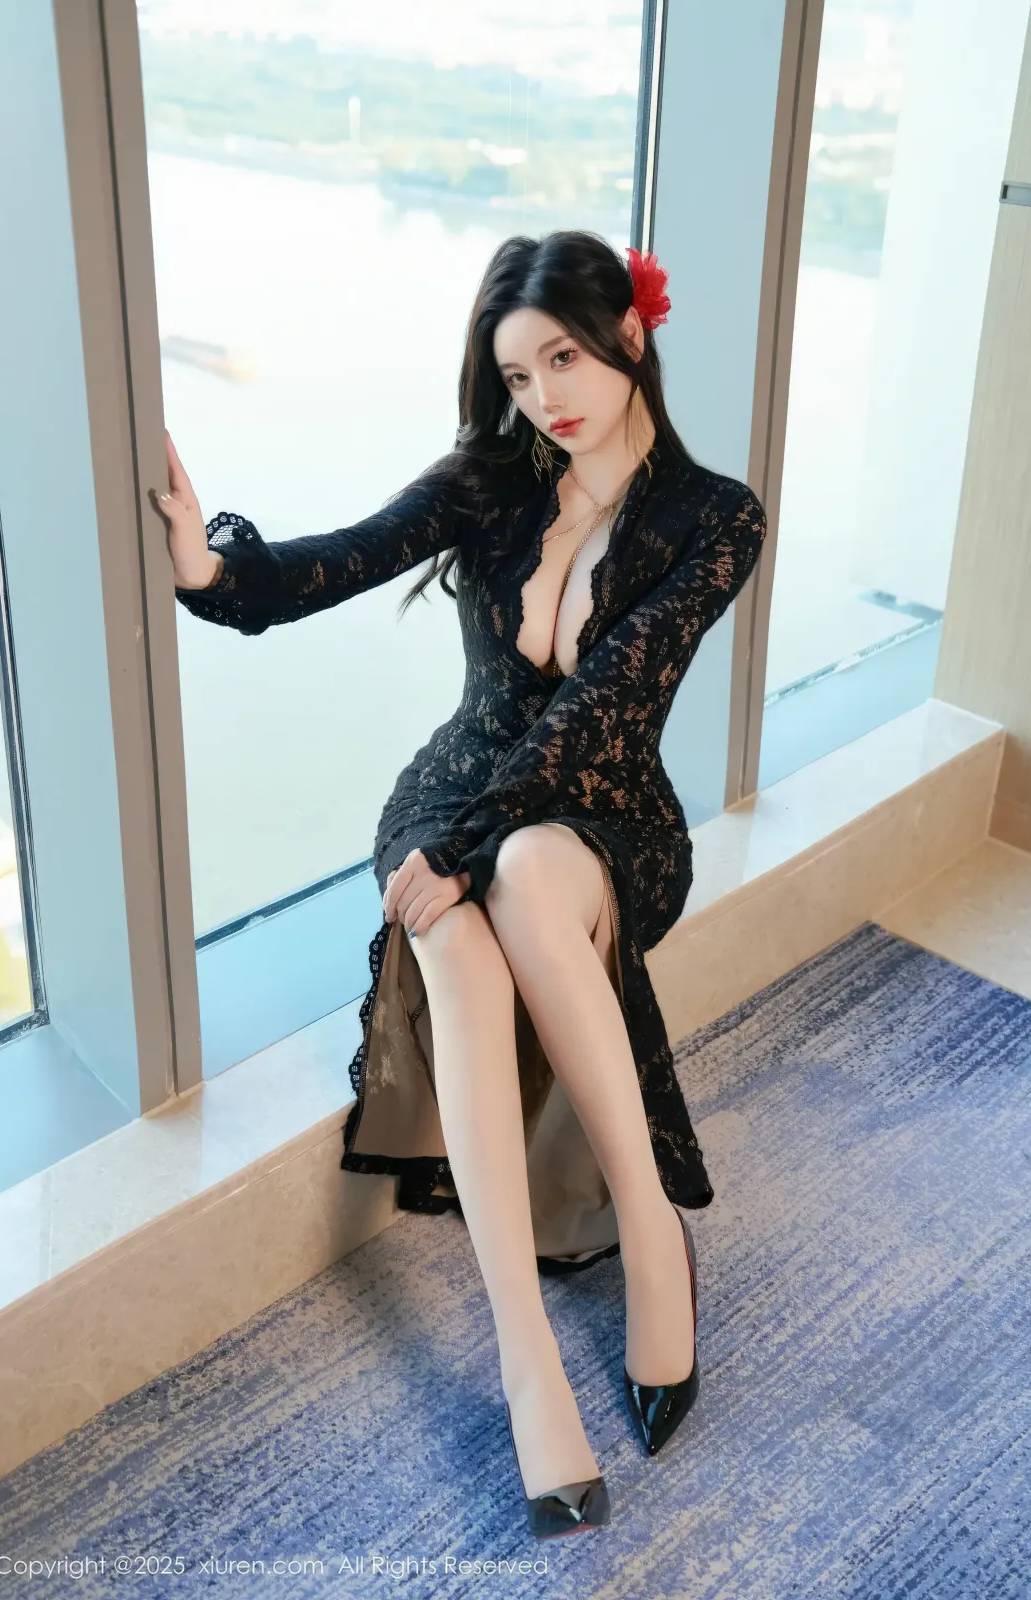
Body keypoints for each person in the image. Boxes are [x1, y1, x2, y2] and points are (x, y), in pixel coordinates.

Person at [154, 229, 768, 1539]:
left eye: (564, 358)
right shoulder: (492, 478)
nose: (544, 396)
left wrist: (474, 845)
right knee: (463, 946)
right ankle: (523, 1353)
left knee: (530, 873)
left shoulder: (715, 518)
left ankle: (652, 1234)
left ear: (630, 335)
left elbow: (601, 710)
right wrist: (207, 568)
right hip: (447, 798)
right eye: (517, 373)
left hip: (602, 814)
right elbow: (335, 561)